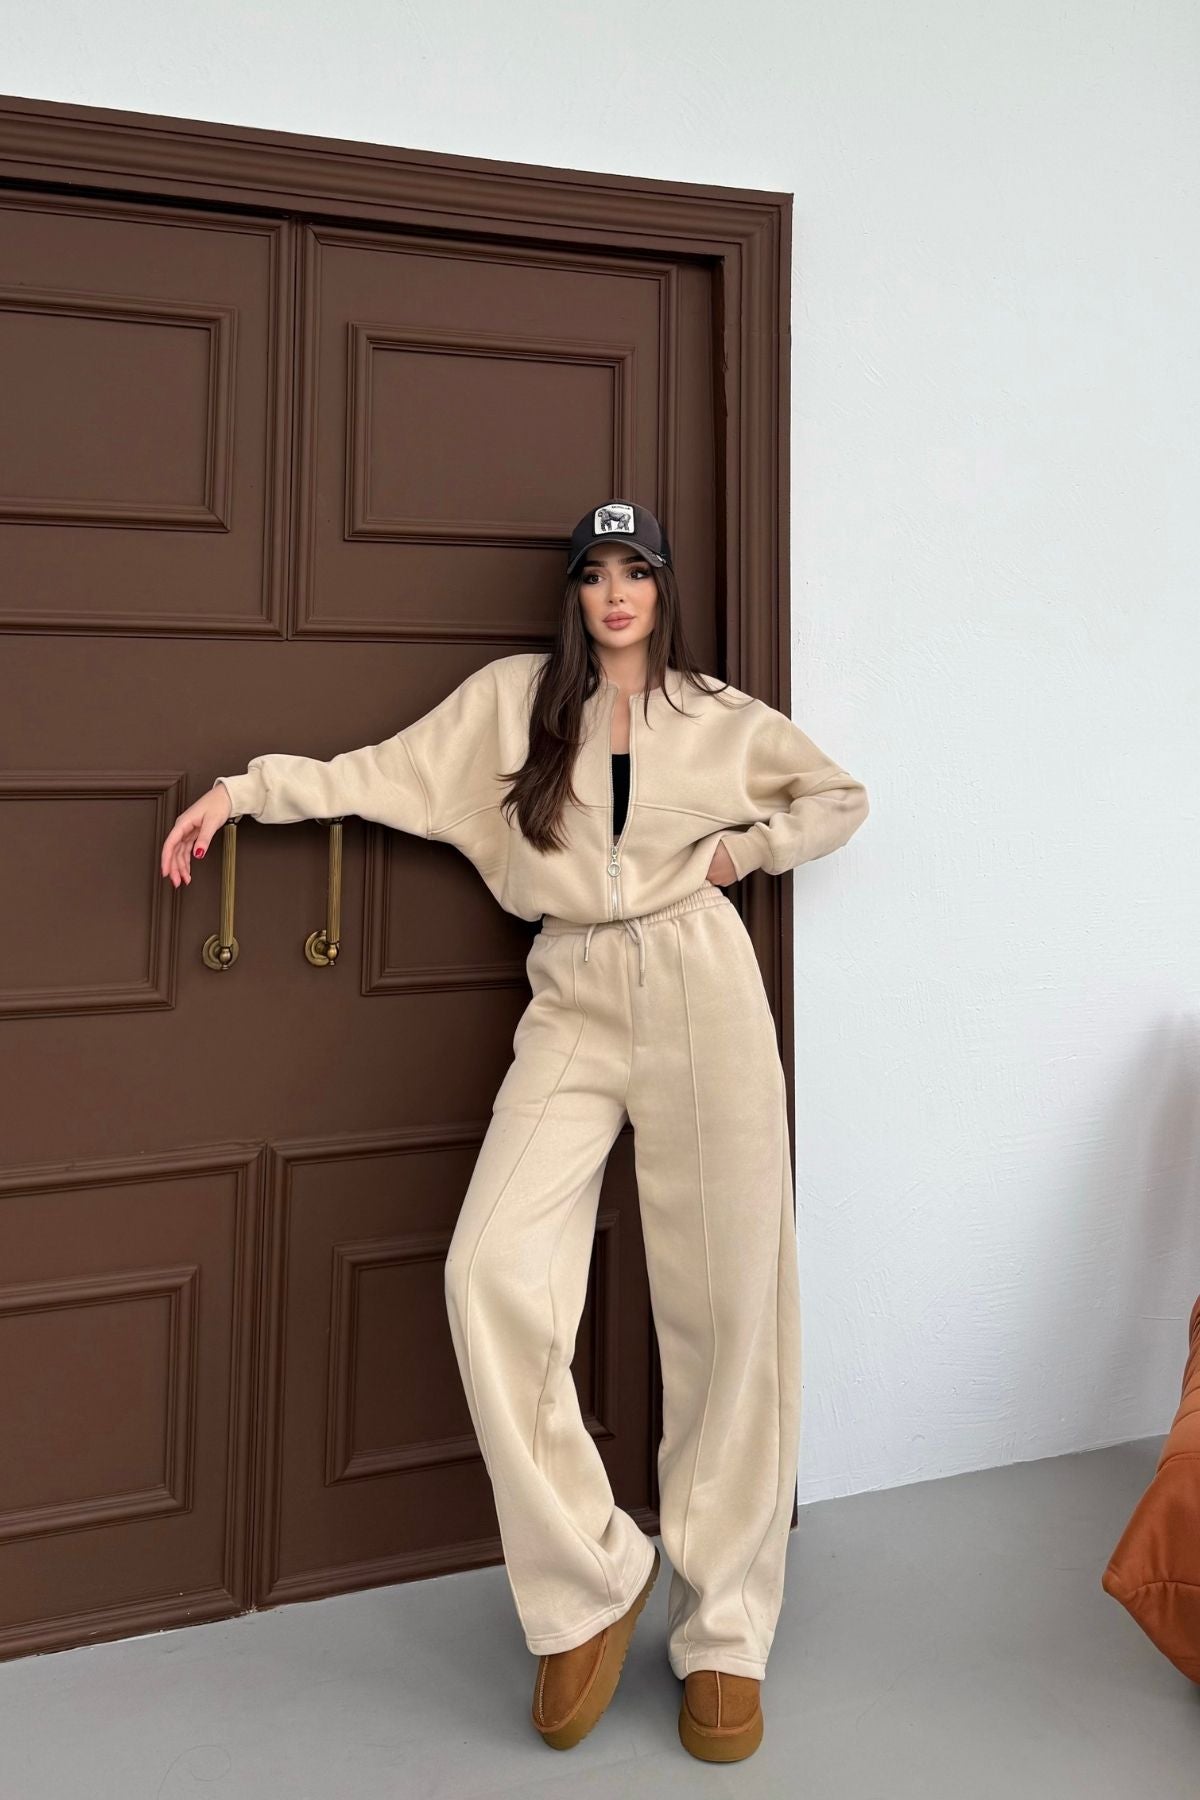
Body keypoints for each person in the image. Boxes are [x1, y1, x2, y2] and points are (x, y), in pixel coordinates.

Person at [159, 498, 870, 1763]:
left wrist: (739, 857)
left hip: (702, 985)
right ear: (574, 592)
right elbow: (380, 774)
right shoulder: (511, 705)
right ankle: (592, 1582)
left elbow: (839, 797)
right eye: (595, 573)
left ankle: (726, 1627)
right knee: (487, 1269)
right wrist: (243, 791)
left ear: (663, 589)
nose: (616, 594)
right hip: (574, 990)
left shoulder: (718, 715)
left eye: (635, 571)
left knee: (731, 1307)